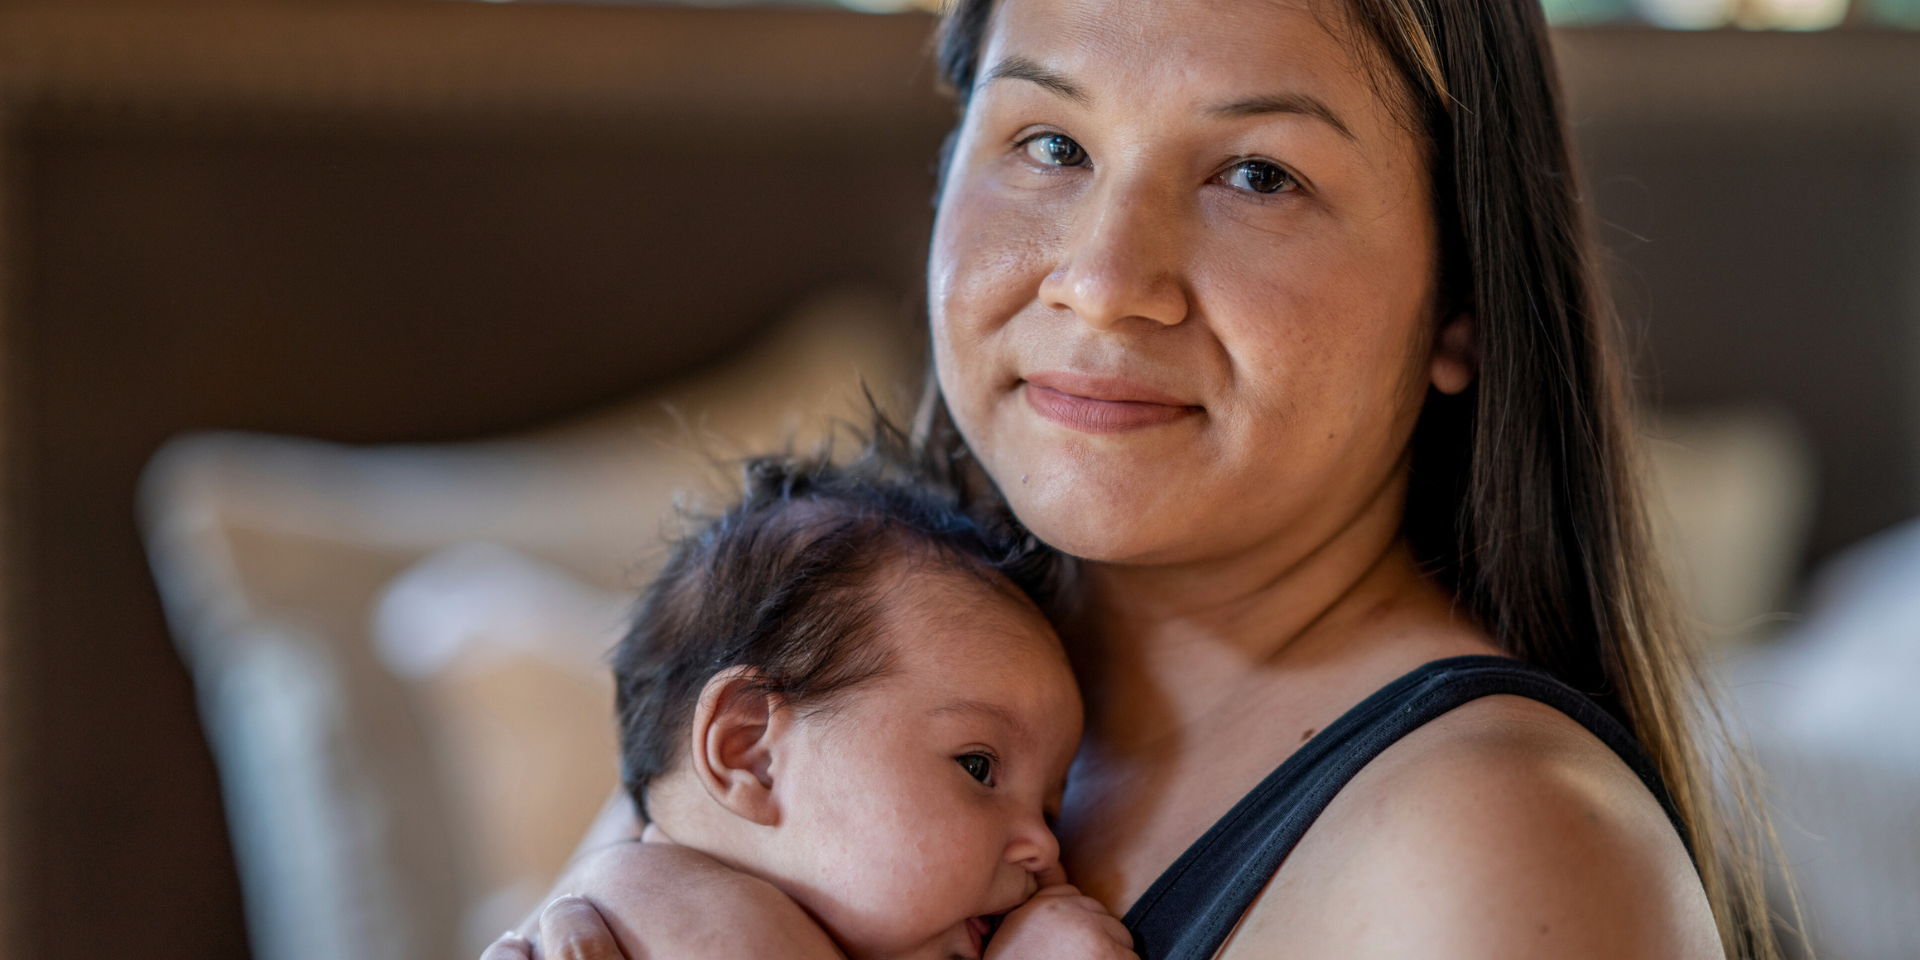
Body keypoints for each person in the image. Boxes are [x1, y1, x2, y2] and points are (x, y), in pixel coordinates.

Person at [488, 0, 1785, 955]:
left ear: (1463, 304)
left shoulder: (1500, 854)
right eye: (1049, 144)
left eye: (1256, 175)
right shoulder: (823, 667)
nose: (1105, 278)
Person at [602, 446, 1134, 960]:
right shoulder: (696, 932)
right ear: (754, 756)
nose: (1045, 849)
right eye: (978, 767)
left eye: (1049, 811)